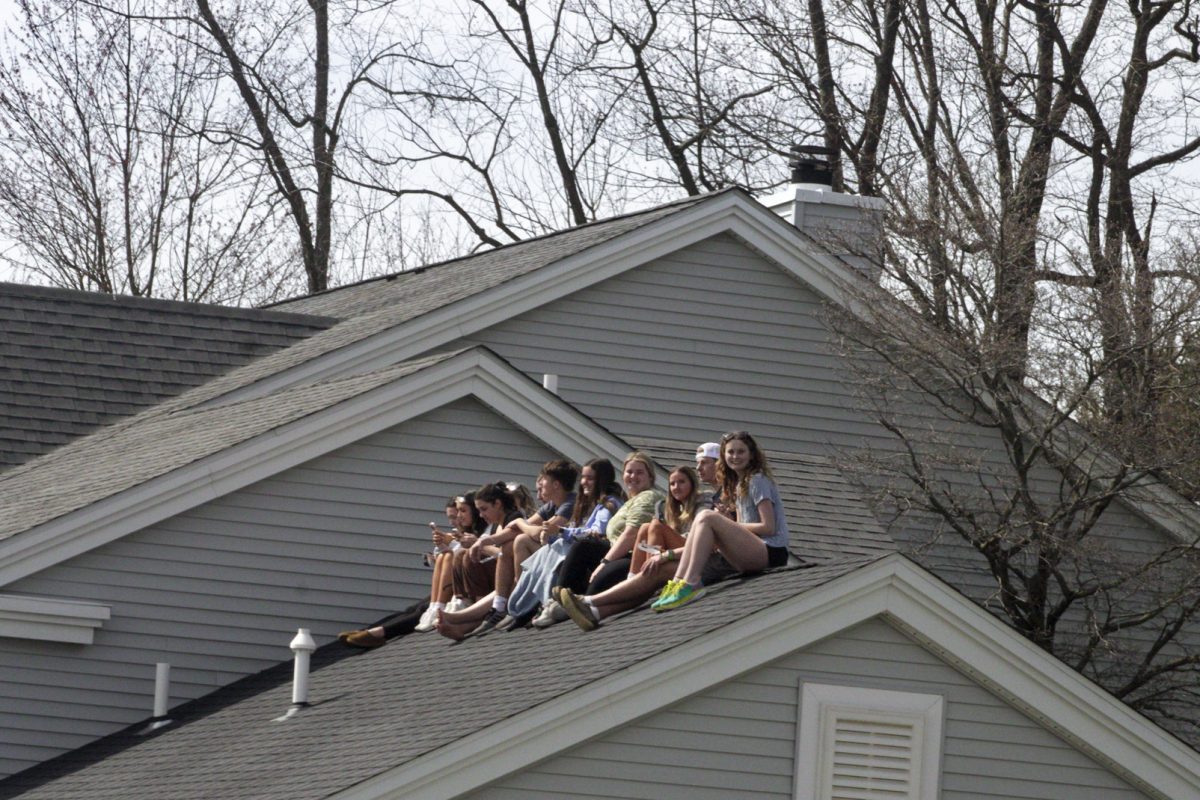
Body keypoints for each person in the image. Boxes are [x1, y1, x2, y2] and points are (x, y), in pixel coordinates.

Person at [652, 431, 791, 611]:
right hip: (751, 552)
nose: (735, 456)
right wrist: (726, 522)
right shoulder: (738, 484)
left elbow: (768, 527)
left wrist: (728, 525)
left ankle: (692, 582)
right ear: (723, 456)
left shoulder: (757, 480)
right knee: (705, 520)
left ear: (751, 455)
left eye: (741, 452)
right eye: (730, 452)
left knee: (706, 516)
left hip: (771, 552)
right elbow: (743, 525)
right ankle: (677, 583)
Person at [559, 465, 703, 630]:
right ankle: (597, 612)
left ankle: (589, 600)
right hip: (674, 557)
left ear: (692, 483)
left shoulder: (701, 504)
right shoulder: (673, 510)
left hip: (693, 559)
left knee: (654, 526)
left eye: (681, 482)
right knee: (644, 529)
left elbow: (699, 543)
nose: (676, 487)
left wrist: (663, 556)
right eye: (672, 484)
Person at [461, 461, 578, 635]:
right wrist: (483, 541)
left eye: (543, 480)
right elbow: (517, 529)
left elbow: (542, 533)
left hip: (567, 558)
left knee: (521, 541)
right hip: (551, 553)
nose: (540, 484)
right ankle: (502, 606)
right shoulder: (551, 506)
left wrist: (519, 523)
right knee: (512, 543)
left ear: (556, 484)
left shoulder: (570, 503)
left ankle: (523, 603)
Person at [510, 458, 623, 628]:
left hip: (601, 553)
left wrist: (561, 532)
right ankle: (525, 605)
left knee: (561, 547)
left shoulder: (608, 504)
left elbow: (596, 533)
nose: (584, 482)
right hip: (585, 550)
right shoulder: (586, 503)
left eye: (590, 478)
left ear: (602, 479)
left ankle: (551, 600)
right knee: (548, 549)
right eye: (583, 477)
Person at [553, 451, 664, 599]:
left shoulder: (648, 497)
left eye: (639, 473)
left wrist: (604, 563)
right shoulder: (629, 502)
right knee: (581, 549)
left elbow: (631, 534)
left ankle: (571, 601)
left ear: (650, 477)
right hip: (617, 552)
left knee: (587, 557)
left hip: (633, 557)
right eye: (629, 472)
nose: (633, 476)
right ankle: (561, 598)